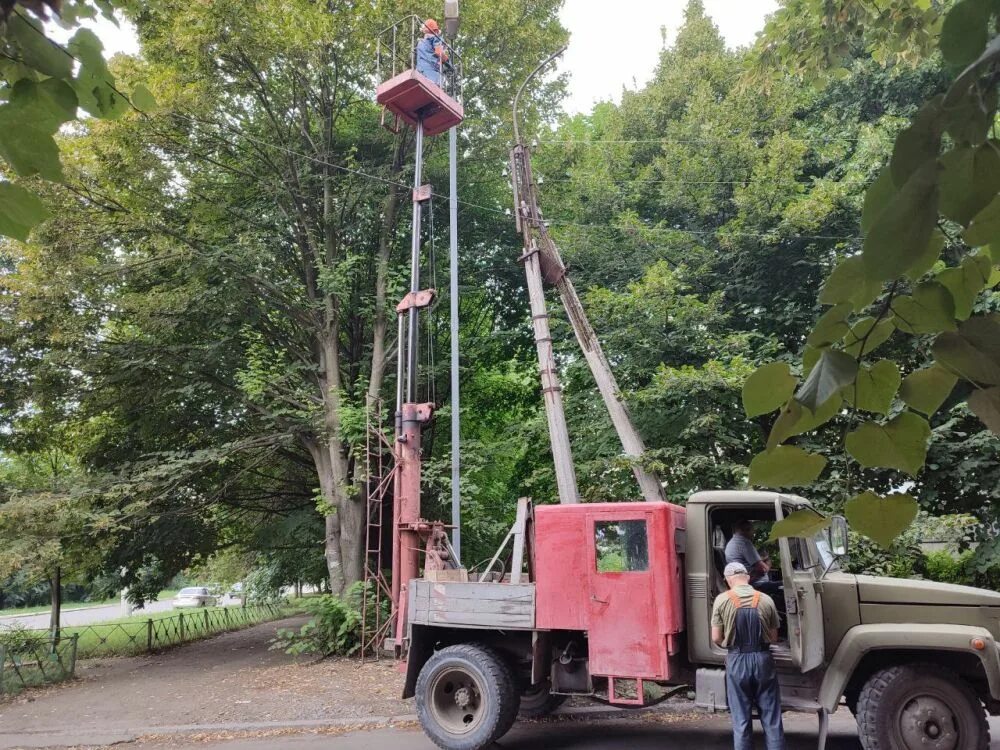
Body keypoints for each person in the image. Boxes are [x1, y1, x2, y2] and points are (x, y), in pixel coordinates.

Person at [712, 562, 785, 750]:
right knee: (772, 720)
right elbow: (774, 637)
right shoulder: (766, 599)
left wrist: (732, 645)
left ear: (728, 580)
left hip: (737, 660)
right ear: (748, 577)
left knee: (741, 721)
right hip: (762, 660)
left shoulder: (722, 600)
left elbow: (716, 638)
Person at [725, 519, 781, 598]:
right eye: (752, 531)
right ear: (746, 530)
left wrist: (760, 560)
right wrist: (767, 560)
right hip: (757, 585)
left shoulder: (732, 542)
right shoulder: (744, 542)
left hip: (746, 582)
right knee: (785, 585)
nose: (753, 534)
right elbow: (763, 570)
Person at [415, 18, 449, 85]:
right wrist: (447, 61)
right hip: (432, 73)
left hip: (420, 72)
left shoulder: (420, 43)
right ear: (435, 30)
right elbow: (439, 52)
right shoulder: (435, 38)